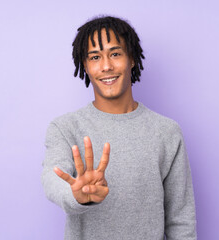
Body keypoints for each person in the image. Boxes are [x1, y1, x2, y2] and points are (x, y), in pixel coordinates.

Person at [41, 16, 197, 240]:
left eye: (115, 54)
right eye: (95, 57)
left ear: (132, 59)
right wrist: (77, 194)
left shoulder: (167, 132)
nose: (106, 66)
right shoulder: (65, 128)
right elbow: (52, 180)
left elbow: (181, 221)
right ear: (85, 66)